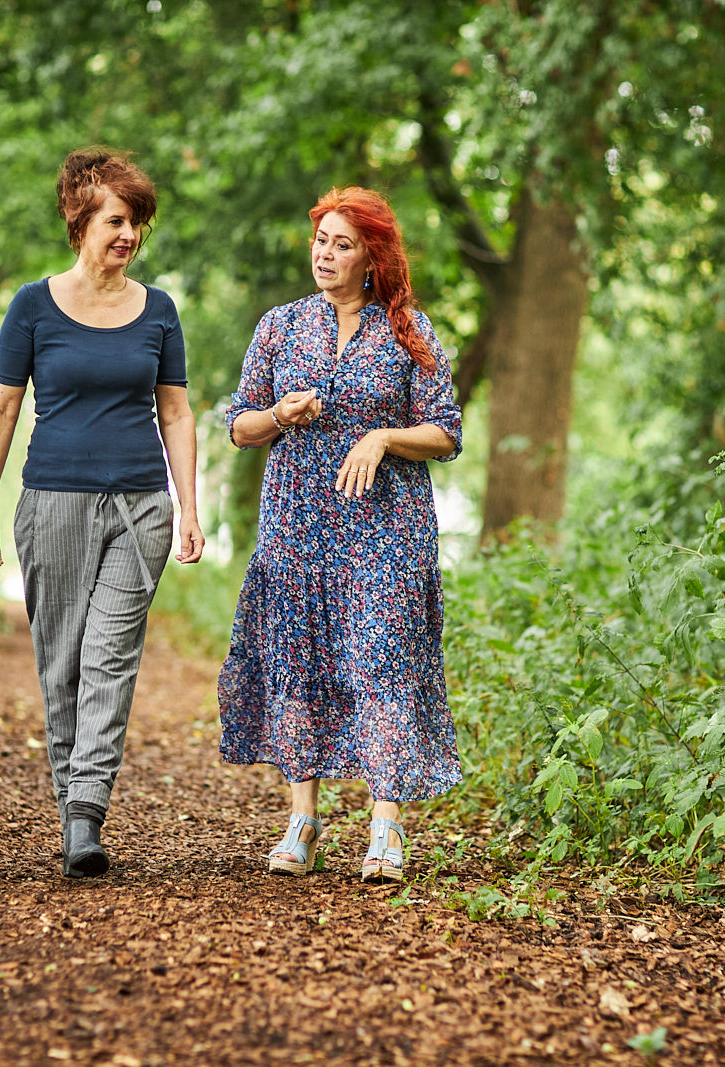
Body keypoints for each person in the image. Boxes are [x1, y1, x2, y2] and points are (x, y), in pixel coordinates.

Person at [218, 186, 463, 883]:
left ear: (371, 257)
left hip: (386, 527)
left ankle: (386, 825)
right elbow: (239, 425)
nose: (325, 255)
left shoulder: (410, 331)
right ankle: (303, 819)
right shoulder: (281, 325)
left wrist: (383, 436)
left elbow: (446, 431)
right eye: (320, 241)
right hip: (297, 525)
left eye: (342, 244)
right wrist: (280, 414)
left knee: (384, 660)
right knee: (298, 660)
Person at [0, 147, 203, 878]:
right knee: (63, 661)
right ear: (79, 223)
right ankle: (72, 800)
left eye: (135, 222)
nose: (128, 234)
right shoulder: (32, 306)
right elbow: (2, 407)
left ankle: (85, 814)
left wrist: (189, 506)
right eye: (114, 220)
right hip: (53, 503)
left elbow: (177, 413)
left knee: (110, 657)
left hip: (141, 507)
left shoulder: (158, 311)